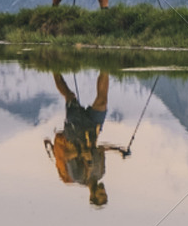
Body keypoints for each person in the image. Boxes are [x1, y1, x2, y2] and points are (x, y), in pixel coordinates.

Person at [44, 71, 129, 206]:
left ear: (92, 196)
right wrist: (118, 149)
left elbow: (67, 155)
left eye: (100, 194)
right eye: (105, 193)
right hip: (93, 131)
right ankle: (105, 67)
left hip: (75, 132)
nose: (103, 191)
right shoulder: (101, 173)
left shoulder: (78, 177)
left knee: (70, 97)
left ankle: (54, 68)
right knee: (102, 101)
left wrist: (81, 153)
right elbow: (99, 149)